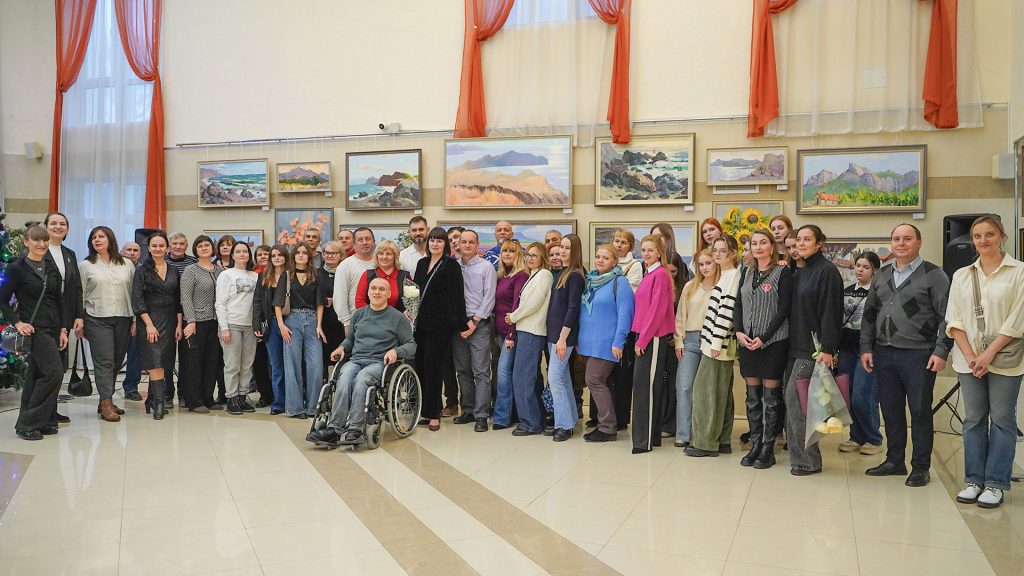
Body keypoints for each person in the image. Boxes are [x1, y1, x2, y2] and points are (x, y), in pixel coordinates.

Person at [861, 224, 951, 487]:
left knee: (920, 412)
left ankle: (921, 467)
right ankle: (894, 461)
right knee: (891, 411)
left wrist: (941, 350)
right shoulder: (882, 275)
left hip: (919, 354)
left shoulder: (934, 275)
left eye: (907, 238)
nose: (901, 243)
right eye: (896, 239)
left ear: (919, 242)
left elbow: (947, 317)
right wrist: (866, 348)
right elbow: (869, 315)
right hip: (884, 353)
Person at [946, 216, 1024, 509]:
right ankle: (974, 480)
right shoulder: (962, 275)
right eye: (977, 236)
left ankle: (995, 483)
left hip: (1004, 357)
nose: (983, 240)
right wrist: (970, 355)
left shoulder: (1019, 272)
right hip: (968, 359)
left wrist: (988, 354)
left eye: (989, 234)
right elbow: (954, 320)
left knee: (1002, 419)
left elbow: (1018, 319)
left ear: (1002, 236)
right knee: (973, 419)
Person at [307, 277, 416, 446]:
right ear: (368, 292)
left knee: (362, 379)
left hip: (380, 363)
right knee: (343, 378)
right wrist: (342, 348)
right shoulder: (359, 314)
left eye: (381, 289)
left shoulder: (397, 318)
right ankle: (335, 429)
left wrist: (396, 351)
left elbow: (411, 345)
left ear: (389, 294)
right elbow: (350, 340)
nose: (377, 292)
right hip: (357, 359)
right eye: (373, 288)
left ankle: (355, 428)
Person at [785, 225, 843, 476]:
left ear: (819, 244)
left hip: (814, 349)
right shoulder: (800, 271)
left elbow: (831, 312)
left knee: (796, 401)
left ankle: (808, 461)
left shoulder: (827, 271)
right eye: (798, 239)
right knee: (794, 403)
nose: (801, 243)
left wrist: (828, 349)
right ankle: (800, 458)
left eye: (807, 239)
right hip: (794, 345)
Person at [1, 226, 68, 440]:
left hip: (53, 326)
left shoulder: (51, 266)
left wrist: (63, 328)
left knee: (37, 374)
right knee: (54, 372)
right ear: (26, 242)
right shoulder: (17, 268)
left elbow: (59, 300)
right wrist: (17, 323)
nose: (41, 244)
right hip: (35, 329)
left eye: (45, 240)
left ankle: (44, 420)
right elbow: (2, 299)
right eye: (36, 240)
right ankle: (29, 423)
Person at [733, 230, 793, 468]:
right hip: (747, 343)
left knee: (770, 399)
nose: (758, 247)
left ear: (772, 247)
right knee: (752, 398)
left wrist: (764, 337)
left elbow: (784, 309)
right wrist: (739, 331)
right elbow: (738, 303)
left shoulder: (782, 272)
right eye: (754, 243)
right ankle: (755, 444)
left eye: (763, 243)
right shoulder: (747, 272)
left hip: (773, 343)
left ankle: (768, 448)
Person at [686, 236, 742, 458]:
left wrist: (715, 342)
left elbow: (727, 312)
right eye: (715, 250)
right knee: (721, 393)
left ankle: (705, 443)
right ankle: (722, 440)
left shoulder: (733, 276)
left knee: (705, 393)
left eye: (722, 250)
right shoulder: (725, 275)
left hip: (717, 344)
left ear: (733, 254)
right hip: (712, 342)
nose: (717, 254)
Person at [578, 244, 634, 442]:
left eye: (606, 257)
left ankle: (608, 427)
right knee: (602, 382)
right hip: (588, 343)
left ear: (614, 262)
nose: (600, 260)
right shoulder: (591, 280)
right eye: (598, 256)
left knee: (594, 379)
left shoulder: (620, 282)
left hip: (607, 343)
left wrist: (619, 341)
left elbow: (626, 314)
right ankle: (606, 423)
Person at [413, 227, 468, 431]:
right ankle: (426, 410)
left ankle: (434, 414)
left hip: (441, 325)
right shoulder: (422, 263)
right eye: (432, 240)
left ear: (445, 244)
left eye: (439, 241)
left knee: (434, 369)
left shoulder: (451, 265)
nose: (435, 244)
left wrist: (462, 324)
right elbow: (414, 291)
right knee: (421, 367)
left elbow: (457, 296)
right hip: (420, 324)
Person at [79, 226, 134, 422]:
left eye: (101, 236)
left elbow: (134, 293)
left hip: (124, 317)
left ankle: (105, 398)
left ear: (110, 239)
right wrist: (79, 320)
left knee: (116, 361)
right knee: (105, 362)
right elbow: (80, 293)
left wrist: (135, 319)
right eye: (93, 237)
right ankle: (106, 404)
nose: (97, 239)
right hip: (97, 318)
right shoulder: (85, 265)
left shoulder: (127, 264)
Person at [630, 235, 676, 454]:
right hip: (644, 335)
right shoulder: (649, 273)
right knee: (645, 387)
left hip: (652, 337)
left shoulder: (661, 275)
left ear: (659, 252)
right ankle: (652, 437)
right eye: (644, 250)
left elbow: (657, 311)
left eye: (650, 250)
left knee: (645, 389)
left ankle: (643, 441)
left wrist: (643, 339)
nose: (646, 254)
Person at [132, 232, 184, 421]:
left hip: (170, 320)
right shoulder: (142, 270)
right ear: (149, 248)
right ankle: (159, 403)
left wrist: (179, 324)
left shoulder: (173, 270)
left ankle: (152, 400)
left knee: (165, 361)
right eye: (154, 245)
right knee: (155, 360)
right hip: (149, 320)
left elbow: (178, 299)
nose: (158, 249)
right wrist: (149, 325)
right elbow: (137, 300)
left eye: (161, 245)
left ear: (167, 248)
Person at [837, 251, 883, 456]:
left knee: (863, 395)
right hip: (846, 348)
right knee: (847, 394)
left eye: (865, 267)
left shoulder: (879, 292)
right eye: (858, 266)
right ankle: (856, 435)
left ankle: (874, 438)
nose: (860, 270)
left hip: (869, 350)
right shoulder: (846, 291)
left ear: (875, 270)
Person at [451, 230, 497, 432]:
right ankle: (468, 410)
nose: (467, 245)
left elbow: (489, 297)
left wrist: (474, 322)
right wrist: (460, 324)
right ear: (458, 244)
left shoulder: (486, 267)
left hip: (479, 324)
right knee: (463, 370)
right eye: (464, 242)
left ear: (477, 244)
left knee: (481, 371)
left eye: (471, 242)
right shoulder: (454, 267)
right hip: (458, 325)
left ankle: (481, 415)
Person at [275, 242, 328, 418]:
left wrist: (319, 325)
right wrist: (281, 325)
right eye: (298, 252)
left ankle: (313, 407)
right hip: (292, 321)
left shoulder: (316, 275)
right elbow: (278, 303)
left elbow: (320, 303)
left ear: (309, 256)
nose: (301, 255)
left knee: (316, 365)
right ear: (293, 255)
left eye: (304, 252)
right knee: (292, 365)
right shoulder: (286, 275)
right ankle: (295, 408)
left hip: (312, 320)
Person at [673, 248, 718, 448]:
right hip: (689, 341)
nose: (705, 267)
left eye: (708, 263)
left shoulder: (722, 287)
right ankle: (683, 433)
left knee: (706, 390)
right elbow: (680, 316)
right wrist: (678, 341)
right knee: (684, 386)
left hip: (712, 340)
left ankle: (702, 435)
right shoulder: (690, 286)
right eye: (701, 264)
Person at [506, 242, 553, 436]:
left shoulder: (544, 274)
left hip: (532, 332)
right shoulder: (533, 275)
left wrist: (513, 316)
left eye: (535, 255)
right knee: (531, 379)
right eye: (528, 255)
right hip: (525, 330)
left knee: (522, 378)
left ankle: (530, 423)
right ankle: (537, 419)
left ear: (543, 258)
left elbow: (534, 303)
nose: (530, 258)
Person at [545, 234, 586, 442]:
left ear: (575, 251)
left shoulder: (575, 275)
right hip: (553, 334)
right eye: (561, 246)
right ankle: (570, 419)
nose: (562, 251)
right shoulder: (563, 273)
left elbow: (573, 309)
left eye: (567, 248)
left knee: (555, 379)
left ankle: (563, 425)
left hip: (563, 337)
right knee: (563, 378)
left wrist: (562, 338)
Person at [44, 212, 81, 425]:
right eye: (53, 223)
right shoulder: (38, 251)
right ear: (46, 226)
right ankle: (43, 412)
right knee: (48, 368)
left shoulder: (69, 254)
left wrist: (78, 315)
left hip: (64, 316)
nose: (58, 227)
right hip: (44, 317)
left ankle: (52, 410)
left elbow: (76, 288)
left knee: (60, 365)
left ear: (67, 229)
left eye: (62, 224)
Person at [179, 236, 224, 412]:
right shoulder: (191, 270)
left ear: (212, 248)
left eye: (207, 245)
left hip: (215, 322)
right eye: (200, 246)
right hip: (196, 322)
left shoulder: (220, 271)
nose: (204, 248)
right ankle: (194, 401)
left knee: (212, 362)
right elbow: (185, 298)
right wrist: (190, 321)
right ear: (195, 250)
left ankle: (208, 398)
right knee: (194, 363)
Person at [216, 241, 259, 415]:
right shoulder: (226, 275)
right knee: (232, 365)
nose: (242, 254)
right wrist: (224, 327)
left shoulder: (255, 276)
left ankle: (242, 396)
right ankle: (232, 398)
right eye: (238, 251)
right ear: (232, 255)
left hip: (250, 326)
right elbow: (220, 303)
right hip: (232, 325)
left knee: (247, 365)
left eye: (245, 251)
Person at [492, 239, 528, 430]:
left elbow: (516, 306)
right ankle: (510, 413)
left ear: (518, 255)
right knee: (506, 372)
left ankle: (502, 417)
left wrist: (511, 334)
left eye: (511, 251)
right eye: (504, 251)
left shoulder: (520, 276)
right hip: (498, 332)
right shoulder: (501, 276)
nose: (507, 254)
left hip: (510, 334)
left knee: (504, 373)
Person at [254, 245, 289, 415]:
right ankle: (278, 402)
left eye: (279, 255)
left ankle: (293, 400)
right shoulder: (263, 276)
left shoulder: (291, 275)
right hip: (271, 324)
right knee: (276, 365)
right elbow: (257, 301)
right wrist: (257, 324)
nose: (276, 258)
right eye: (273, 255)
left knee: (292, 364)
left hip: (290, 322)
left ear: (285, 257)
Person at [167, 231, 198, 404]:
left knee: (187, 358)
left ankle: (184, 394)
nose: (178, 246)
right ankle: (167, 394)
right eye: (174, 243)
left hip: (188, 316)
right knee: (166, 357)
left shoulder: (193, 262)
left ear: (186, 245)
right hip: (166, 315)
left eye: (181, 243)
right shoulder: (162, 262)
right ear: (169, 245)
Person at [441, 226, 465, 416]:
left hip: (469, 320)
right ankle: (451, 402)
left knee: (468, 366)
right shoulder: (445, 263)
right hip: (447, 321)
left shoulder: (477, 263)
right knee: (447, 364)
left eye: (457, 237)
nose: (454, 241)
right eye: (450, 239)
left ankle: (470, 403)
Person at [333, 227, 376, 331]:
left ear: (374, 242)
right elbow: (340, 297)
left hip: (380, 320)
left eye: (368, 239)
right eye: (360, 240)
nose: (364, 242)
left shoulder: (380, 263)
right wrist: (346, 323)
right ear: (354, 244)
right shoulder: (346, 265)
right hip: (356, 322)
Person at [354, 240, 409, 311]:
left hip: (398, 317)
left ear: (395, 257)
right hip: (371, 317)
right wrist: (377, 315)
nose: (384, 257)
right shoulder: (367, 275)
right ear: (376, 256)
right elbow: (359, 302)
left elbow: (411, 301)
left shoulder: (405, 276)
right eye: (381, 253)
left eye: (388, 254)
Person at [120, 241, 144, 401]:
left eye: (135, 250)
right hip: (119, 316)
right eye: (128, 250)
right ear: (122, 251)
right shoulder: (116, 268)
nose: (132, 253)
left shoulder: (144, 269)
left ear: (140, 254)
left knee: (135, 355)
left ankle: (131, 387)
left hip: (138, 318)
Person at [252, 244, 274, 407]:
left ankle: (277, 393)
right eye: (260, 254)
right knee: (259, 362)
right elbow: (256, 302)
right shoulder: (252, 275)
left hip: (276, 322)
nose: (263, 257)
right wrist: (257, 324)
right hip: (258, 322)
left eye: (267, 254)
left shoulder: (279, 274)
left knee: (274, 362)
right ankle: (265, 394)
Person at [319, 241, 346, 374]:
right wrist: (323, 300)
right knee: (322, 359)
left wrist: (336, 301)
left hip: (340, 321)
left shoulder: (345, 272)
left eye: (333, 253)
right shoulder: (316, 273)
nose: (329, 256)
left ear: (341, 255)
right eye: (327, 252)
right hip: (321, 321)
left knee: (339, 358)